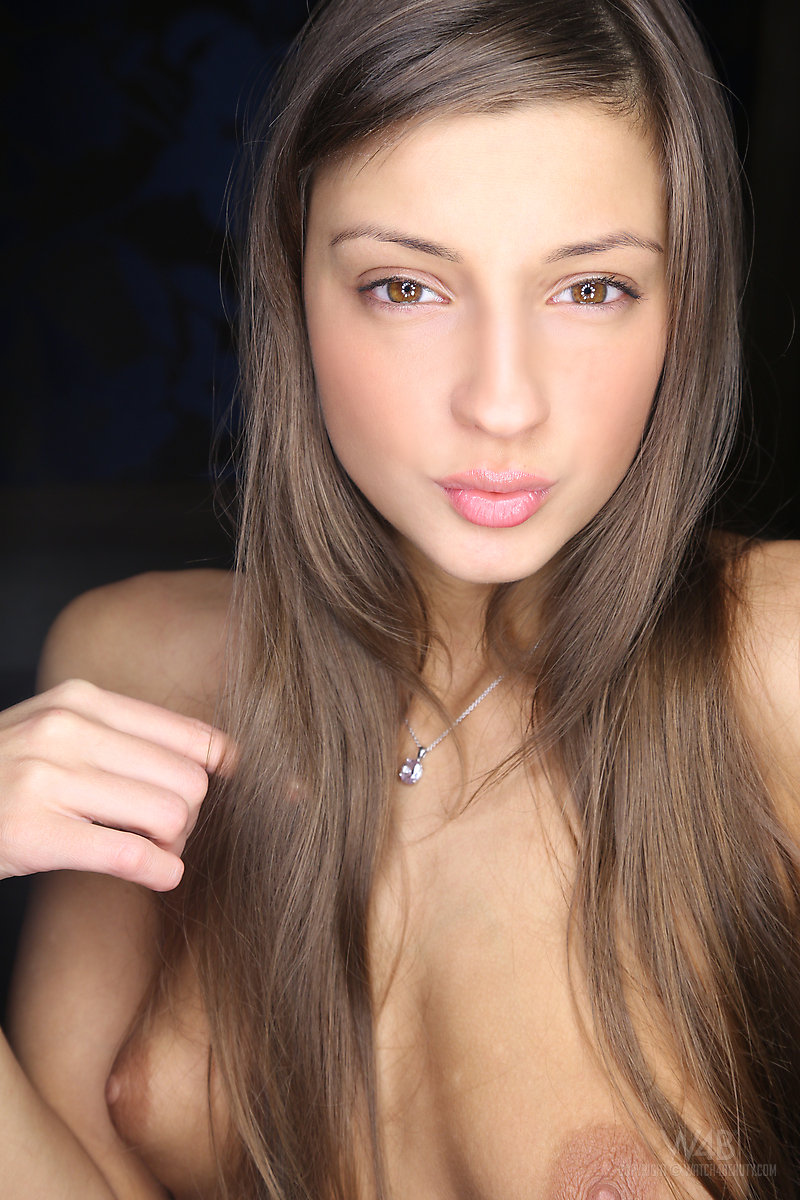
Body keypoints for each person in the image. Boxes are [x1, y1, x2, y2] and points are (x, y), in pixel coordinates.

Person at [1, 0, 799, 1196]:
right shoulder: (134, 669)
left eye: (589, 289)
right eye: (406, 288)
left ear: (683, 306)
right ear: (293, 289)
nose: (500, 402)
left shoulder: (774, 665)